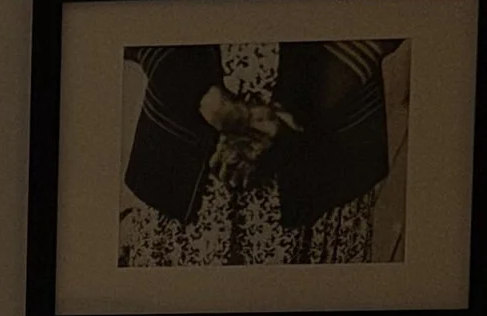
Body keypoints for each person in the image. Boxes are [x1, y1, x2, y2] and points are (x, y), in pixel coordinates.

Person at [119, 38, 401, 266]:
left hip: (324, 143)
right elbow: (127, 13)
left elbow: (389, 7)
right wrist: (205, 99)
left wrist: (297, 112)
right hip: (180, 147)